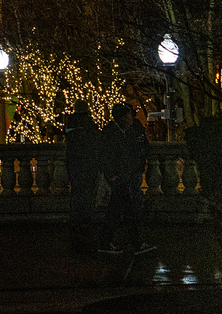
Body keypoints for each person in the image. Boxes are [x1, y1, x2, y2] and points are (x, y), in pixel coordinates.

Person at [97, 103, 156, 256]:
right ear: (122, 117)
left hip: (121, 177)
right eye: (129, 115)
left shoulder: (119, 132)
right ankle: (136, 244)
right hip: (119, 178)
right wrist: (113, 174)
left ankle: (105, 242)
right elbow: (106, 156)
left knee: (115, 211)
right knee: (127, 211)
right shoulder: (113, 134)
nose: (131, 118)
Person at [62, 97, 101, 252]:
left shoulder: (69, 124)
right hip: (88, 164)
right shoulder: (89, 125)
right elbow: (95, 142)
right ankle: (85, 220)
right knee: (86, 193)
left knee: (77, 192)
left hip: (74, 163)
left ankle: (76, 220)